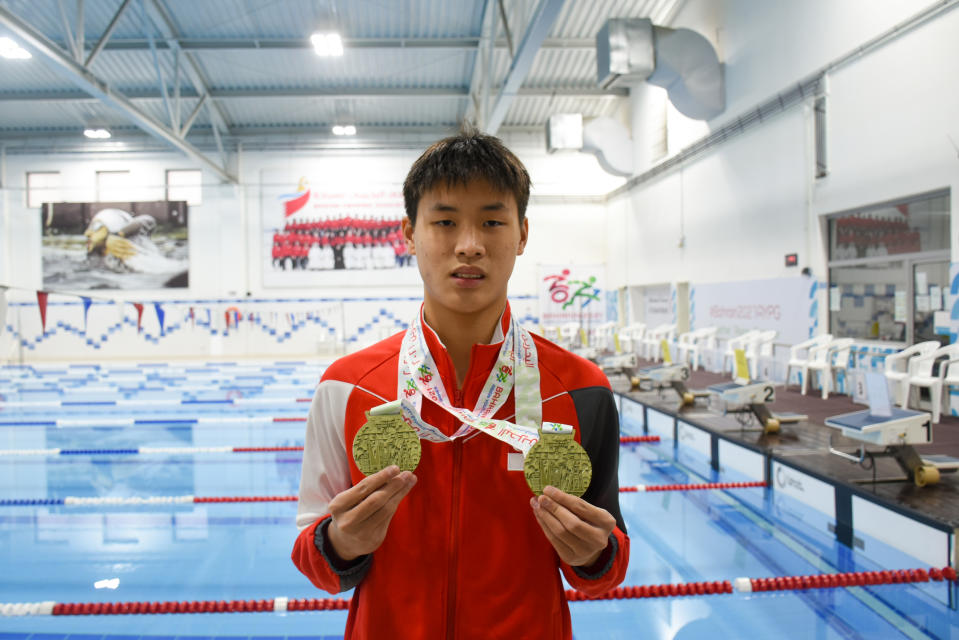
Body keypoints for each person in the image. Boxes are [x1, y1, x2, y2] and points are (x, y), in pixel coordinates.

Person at [292, 127, 629, 639]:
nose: (469, 246)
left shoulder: (580, 388)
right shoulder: (346, 386)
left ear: (521, 234)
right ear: (409, 233)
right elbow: (312, 555)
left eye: (492, 221)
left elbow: (608, 563)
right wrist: (340, 541)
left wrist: (594, 554)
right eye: (444, 221)